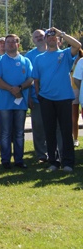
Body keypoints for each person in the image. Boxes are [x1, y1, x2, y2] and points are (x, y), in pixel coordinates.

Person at [33, 27, 80, 172]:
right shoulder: (39, 58)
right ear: (45, 40)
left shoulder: (65, 54)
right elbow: (36, 80)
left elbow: (77, 45)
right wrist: (39, 95)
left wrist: (62, 33)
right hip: (46, 99)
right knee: (50, 131)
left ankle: (68, 162)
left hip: (64, 98)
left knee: (66, 131)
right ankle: (53, 162)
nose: (52, 39)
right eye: (49, 37)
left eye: (54, 37)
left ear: (59, 40)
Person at [0, 34, 33, 169]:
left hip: (20, 103)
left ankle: (19, 160)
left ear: (18, 45)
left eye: (13, 42)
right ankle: (5, 160)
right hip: (3, 104)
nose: (9, 44)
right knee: (5, 133)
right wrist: (11, 89)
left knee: (19, 133)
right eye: (7, 42)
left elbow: (30, 79)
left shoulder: (26, 61)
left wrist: (19, 88)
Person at [25, 29, 49, 162]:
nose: (39, 38)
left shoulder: (53, 51)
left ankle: (54, 152)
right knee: (38, 126)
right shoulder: (29, 56)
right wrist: (28, 97)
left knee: (53, 126)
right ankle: (41, 154)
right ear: (33, 40)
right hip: (36, 98)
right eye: (36, 37)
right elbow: (28, 78)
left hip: (53, 97)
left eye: (41, 36)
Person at [70, 47, 83, 147]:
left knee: (77, 116)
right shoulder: (69, 58)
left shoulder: (81, 58)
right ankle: (72, 137)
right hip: (72, 89)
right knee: (73, 116)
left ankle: (75, 138)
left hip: (79, 89)